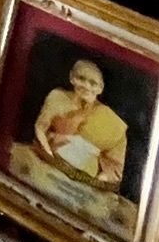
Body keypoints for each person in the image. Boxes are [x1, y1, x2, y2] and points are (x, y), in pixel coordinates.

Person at [32, 57, 127, 189]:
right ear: (72, 78)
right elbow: (40, 128)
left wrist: (102, 178)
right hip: (55, 157)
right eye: (81, 79)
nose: (86, 86)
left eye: (93, 83)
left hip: (89, 173)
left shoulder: (110, 118)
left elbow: (116, 165)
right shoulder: (58, 97)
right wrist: (49, 156)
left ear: (100, 89)